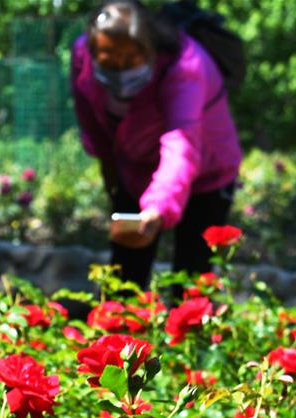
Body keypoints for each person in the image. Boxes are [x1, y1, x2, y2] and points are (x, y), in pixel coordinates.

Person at [71, 0, 242, 288]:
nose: (120, 69)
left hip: (206, 175)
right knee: (125, 278)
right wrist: (111, 173)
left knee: (191, 280)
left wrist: (156, 208)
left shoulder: (185, 66)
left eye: (130, 60)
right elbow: (90, 118)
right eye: (109, 61)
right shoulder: (81, 56)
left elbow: (181, 146)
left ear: (149, 49)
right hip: (136, 169)